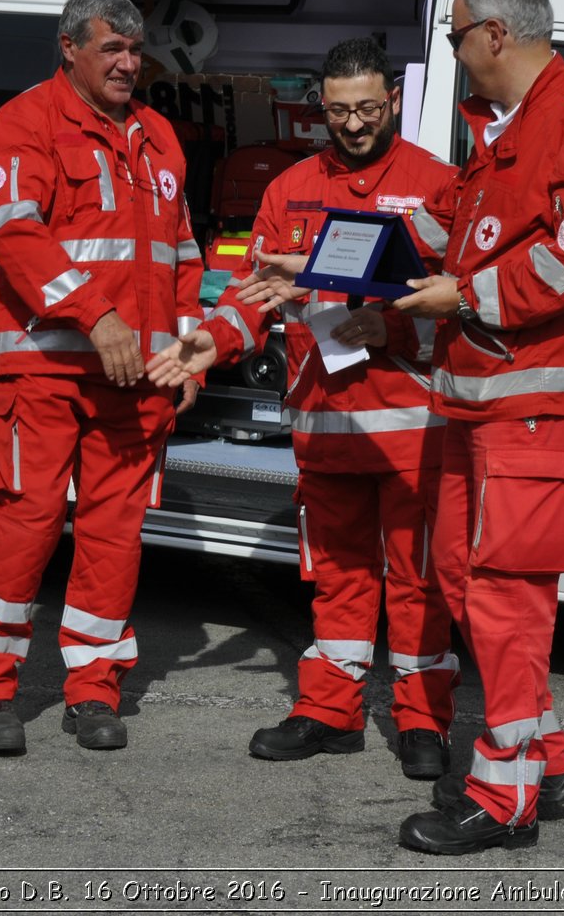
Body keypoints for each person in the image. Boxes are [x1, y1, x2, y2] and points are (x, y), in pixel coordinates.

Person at [148, 38, 461, 779]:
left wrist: (387, 323)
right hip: (323, 424)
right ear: (321, 107)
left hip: (412, 427)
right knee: (336, 576)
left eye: (367, 109)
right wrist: (207, 343)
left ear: (393, 100)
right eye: (339, 111)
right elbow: (252, 303)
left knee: (417, 580)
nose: (353, 125)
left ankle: (423, 719)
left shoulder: (438, 186)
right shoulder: (288, 189)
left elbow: (464, 307)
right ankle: (330, 710)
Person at [391, 0, 564, 854]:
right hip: (476, 404)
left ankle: (505, 797)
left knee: (505, 594)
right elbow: (442, 224)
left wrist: (464, 300)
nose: (454, 54)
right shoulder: (508, 129)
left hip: (530, 404)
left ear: (495, 33)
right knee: (464, 576)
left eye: (454, 36)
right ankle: (544, 747)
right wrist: (322, 264)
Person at [0, 0, 204, 755]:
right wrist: (97, 315)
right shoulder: (25, 122)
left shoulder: (160, 137)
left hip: (137, 378)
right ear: (69, 49)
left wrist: (187, 346)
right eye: (111, 50)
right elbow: (17, 236)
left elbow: (181, 254)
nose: (129, 64)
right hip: (48, 365)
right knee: (26, 525)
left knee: (114, 534)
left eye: (135, 50)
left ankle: (93, 686)